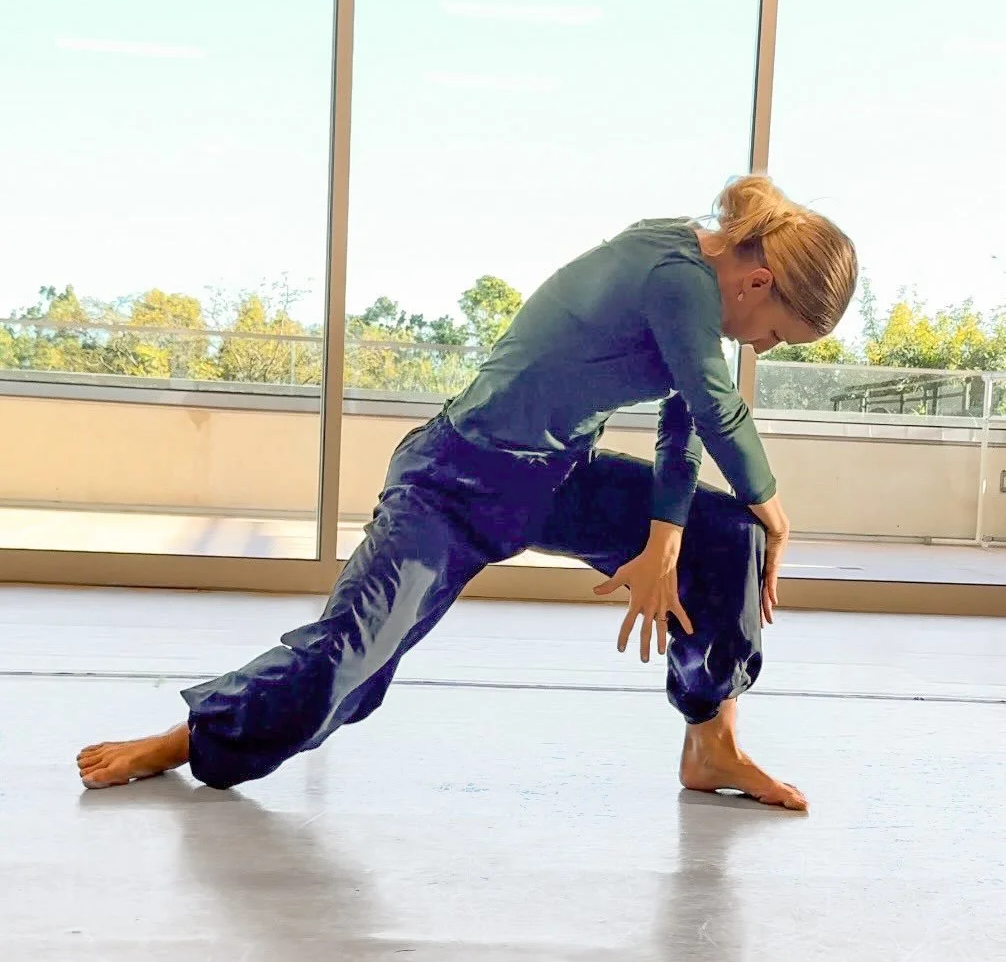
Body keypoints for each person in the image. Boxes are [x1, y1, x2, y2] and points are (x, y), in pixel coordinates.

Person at [78, 174, 857, 809]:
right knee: (350, 661)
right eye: (776, 333)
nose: (763, 346)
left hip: (556, 478)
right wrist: (777, 512)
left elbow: (686, 417)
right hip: (452, 482)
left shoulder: (699, 282)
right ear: (758, 282)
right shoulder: (676, 276)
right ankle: (191, 738)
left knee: (727, 537)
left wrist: (665, 541)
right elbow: (717, 408)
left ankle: (712, 744)